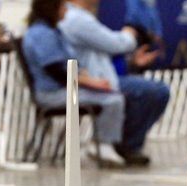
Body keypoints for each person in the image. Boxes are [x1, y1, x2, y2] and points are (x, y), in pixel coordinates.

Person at [59, 0, 170, 166]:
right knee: (156, 91)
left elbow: (99, 58)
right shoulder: (77, 19)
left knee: (152, 90)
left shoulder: (79, 17)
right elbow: (118, 44)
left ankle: (123, 144)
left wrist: (131, 63)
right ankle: (125, 145)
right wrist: (131, 29)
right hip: (91, 83)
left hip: (100, 79)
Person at [22, 0, 129, 168]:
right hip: (52, 93)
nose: (66, 10)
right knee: (113, 100)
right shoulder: (41, 34)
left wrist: (87, 78)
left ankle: (104, 142)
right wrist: (93, 83)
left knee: (112, 96)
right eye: (63, 6)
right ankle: (103, 143)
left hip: (62, 88)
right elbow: (58, 72)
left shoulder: (51, 31)